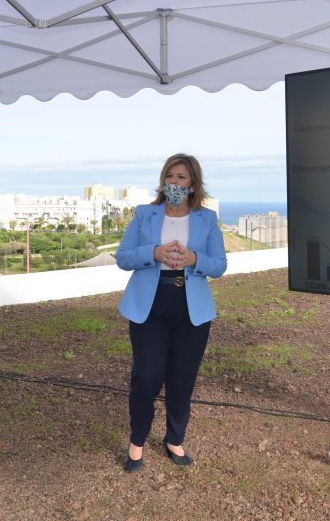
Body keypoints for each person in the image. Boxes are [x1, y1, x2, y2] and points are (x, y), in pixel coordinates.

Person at [116, 153, 227, 472]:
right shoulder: (144, 214)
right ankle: (137, 441)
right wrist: (154, 253)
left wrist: (195, 258)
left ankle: (174, 439)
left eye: (181, 178)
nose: (174, 183)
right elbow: (123, 257)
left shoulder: (207, 219)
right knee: (146, 375)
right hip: (149, 306)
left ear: (193, 185)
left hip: (191, 309)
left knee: (182, 379)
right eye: (169, 176)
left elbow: (219, 266)